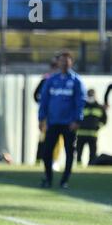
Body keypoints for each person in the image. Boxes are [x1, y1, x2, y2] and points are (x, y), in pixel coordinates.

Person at [39, 50, 87, 189]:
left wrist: (77, 120)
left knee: (69, 152)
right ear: (58, 62)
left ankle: (64, 180)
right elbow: (44, 101)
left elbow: (80, 102)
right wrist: (42, 119)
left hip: (69, 124)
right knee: (47, 152)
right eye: (61, 60)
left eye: (67, 61)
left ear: (71, 62)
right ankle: (48, 178)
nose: (64, 63)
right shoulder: (51, 80)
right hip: (53, 122)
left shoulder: (76, 81)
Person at [34, 57, 64, 166]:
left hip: (59, 115)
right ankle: (39, 159)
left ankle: (54, 161)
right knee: (43, 137)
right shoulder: (45, 80)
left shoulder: (63, 80)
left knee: (58, 139)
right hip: (47, 116)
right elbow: (36, 95)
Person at [77, 89, 107, 165]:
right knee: (79, 152)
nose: (90, 97)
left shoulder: (99, 107)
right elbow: (76, 118)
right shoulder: (82, 106)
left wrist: (98, 127)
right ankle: (78, 165)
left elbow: (104, 120)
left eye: (92, 95)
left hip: (93, 134)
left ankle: (91, 165)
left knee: (92, 153)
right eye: (89, 95)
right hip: (81, 134)